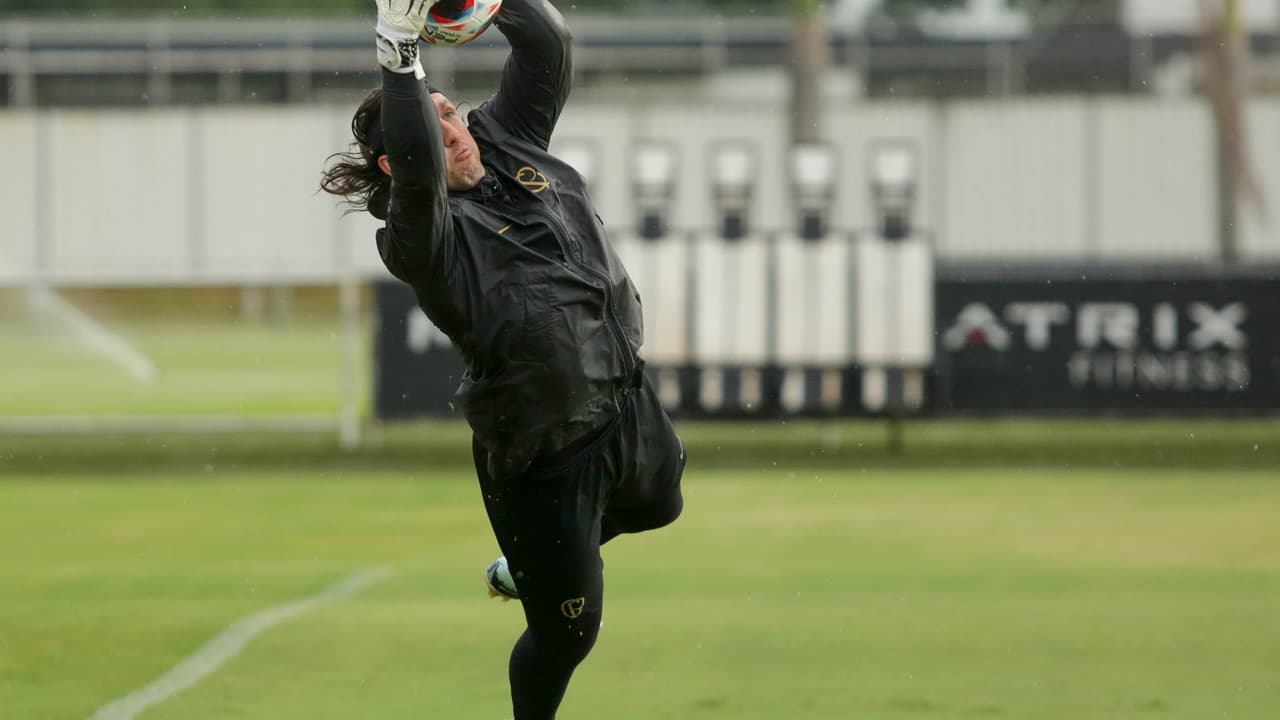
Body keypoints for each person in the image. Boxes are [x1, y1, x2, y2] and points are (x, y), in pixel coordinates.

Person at [320, 1, 687, 718]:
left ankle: (534, 565)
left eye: (452, 111)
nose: (453, 129)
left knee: (663, 501)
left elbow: (548, 47)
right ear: (399, 160)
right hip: (542, 453)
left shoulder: (509, 137)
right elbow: (423, 171)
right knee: (568, 634)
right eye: (434, 126)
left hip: (623, 398)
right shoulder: (418, 234)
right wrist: (398, 51)